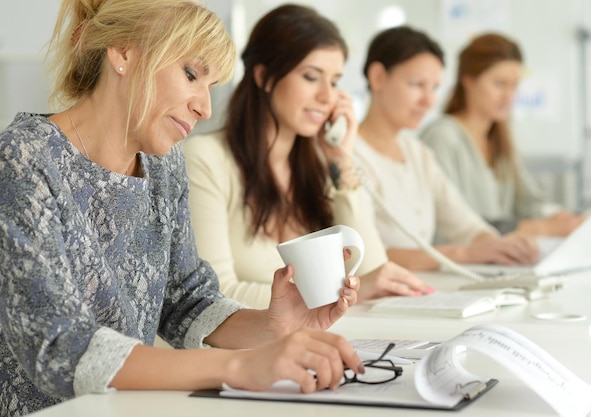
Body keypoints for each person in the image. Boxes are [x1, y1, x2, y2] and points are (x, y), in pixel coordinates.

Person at [0, 1, 364, 415]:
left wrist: (270, 325)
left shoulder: (163, 164)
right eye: (191, 74)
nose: (204, 108)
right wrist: (239, 365)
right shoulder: (24, 158)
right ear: (122, 52)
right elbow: (57, 344)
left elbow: (186, 300)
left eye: (210, 86)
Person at [183, 4, 433, 309]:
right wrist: (336, 294)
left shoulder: (317, 166)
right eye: (312, 77)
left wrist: (342, 160)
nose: (327, 97)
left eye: (335, 81)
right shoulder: (206, 159)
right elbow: (213, 295)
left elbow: (371, 271)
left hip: (312, 340)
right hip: (242, 351)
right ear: (263, 76)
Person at [354, 26, 538, 271]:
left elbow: (465, 224)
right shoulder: (347, 155)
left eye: (434, 88)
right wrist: (464, 253)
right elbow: (363, 255)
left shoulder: (418, 153)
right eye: (417, 84)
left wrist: (497, 245)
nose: (429, 101)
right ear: (378, 77)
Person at [421, 33, 584, 236]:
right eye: (499, 84)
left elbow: (528, 203)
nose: (509, 96)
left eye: (515, 85)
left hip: (497, 259)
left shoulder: (499, 138)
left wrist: (562, 218)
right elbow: (449, 223)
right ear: (469, 80)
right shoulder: (442, 137)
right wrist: (536, 228)